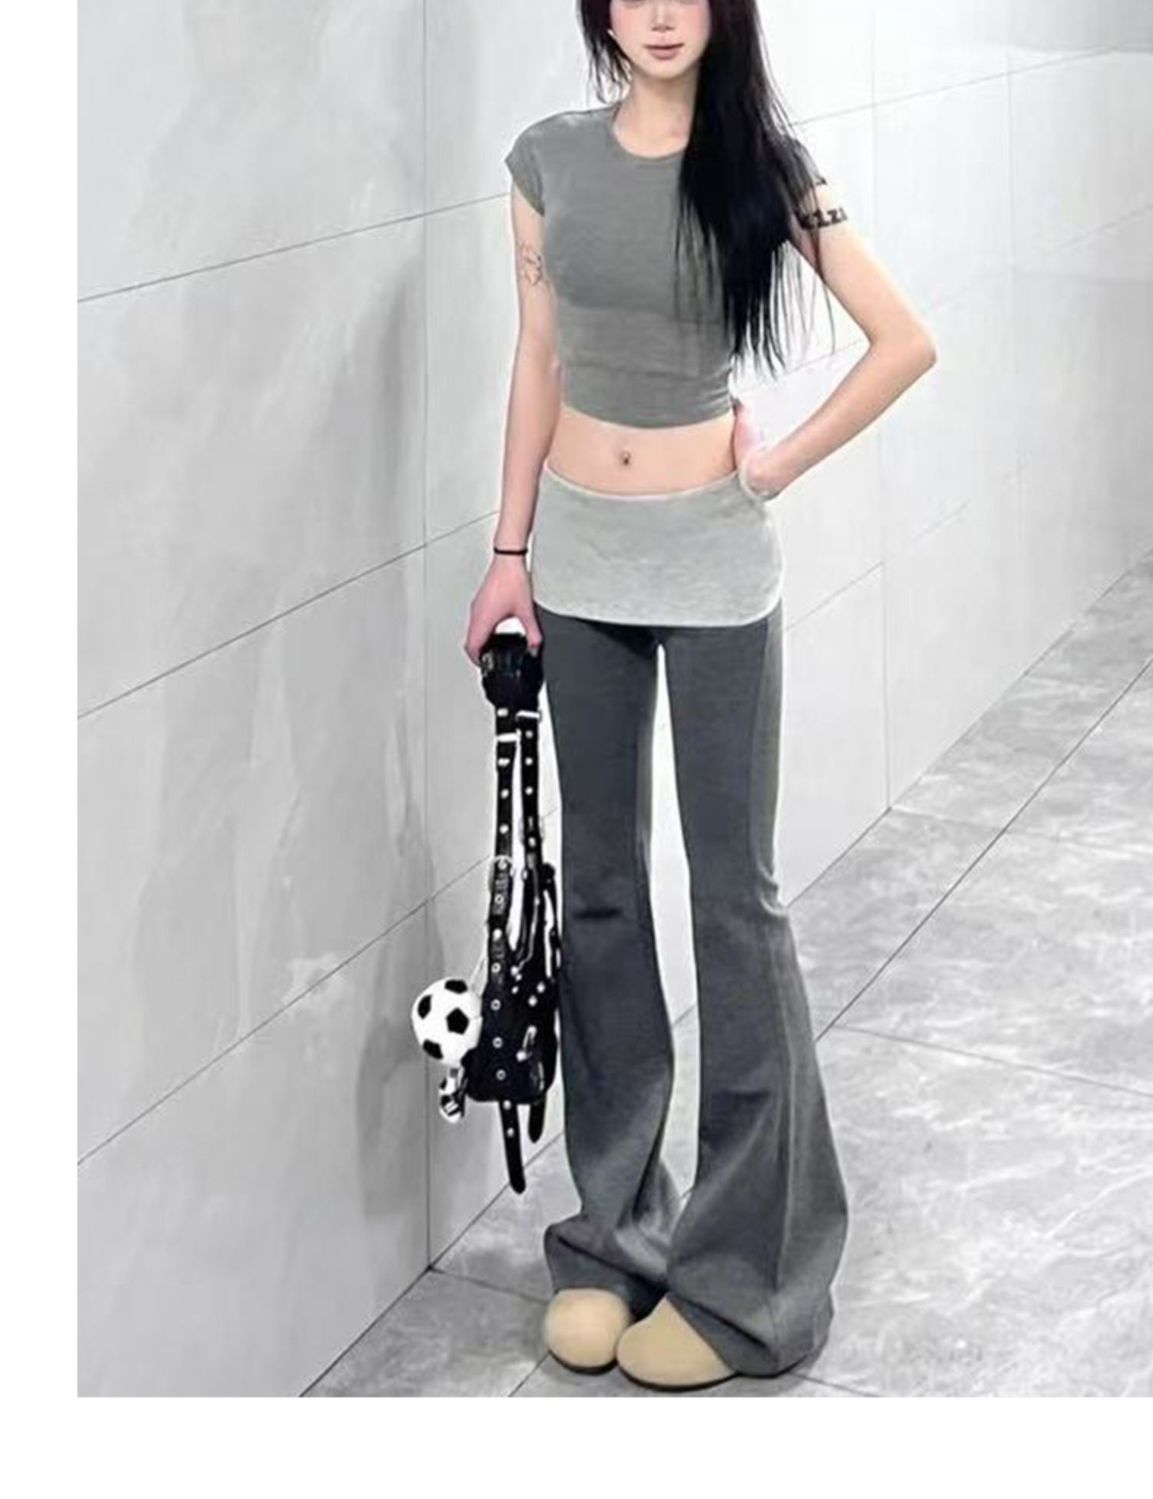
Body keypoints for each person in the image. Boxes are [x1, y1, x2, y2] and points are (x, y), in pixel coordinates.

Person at [463, 0, 936, 1392]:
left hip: (716, 568)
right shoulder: (545, 159)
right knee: (601, 893)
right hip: (577, 563)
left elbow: (902, 339)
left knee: (736, 903)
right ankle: (611, 1238)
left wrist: (774, 466)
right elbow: (539, 357)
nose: (661, 15)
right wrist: (508, 555)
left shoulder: (766, 166)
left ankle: (748, 1278)